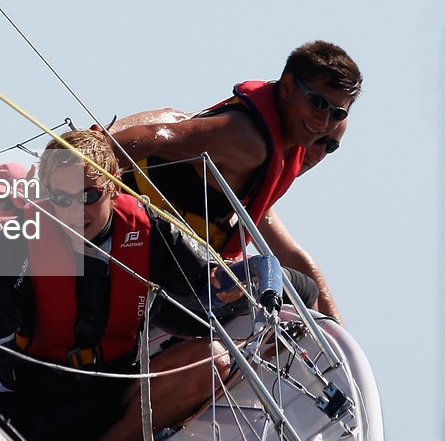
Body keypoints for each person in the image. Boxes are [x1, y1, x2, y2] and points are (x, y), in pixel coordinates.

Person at [0, 125, 230, 441]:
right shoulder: (17, 243)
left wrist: (259, 285)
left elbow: (216, 285)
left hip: (116, 392)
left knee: (213, 358)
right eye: (62, 199)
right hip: (37, 403)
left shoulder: (152, 232)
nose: (74, 212)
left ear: (113, 183)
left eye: (89, 196)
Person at [108, 41, 361, 320]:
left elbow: (290, 254)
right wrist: (83, 160)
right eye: (318, 103)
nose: (322, 125)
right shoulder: (246, 140)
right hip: (146, 254)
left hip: (180, 268)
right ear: (287, 87)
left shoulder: (267, 166)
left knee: (290, 285)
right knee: (294, 289)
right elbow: (161, 133)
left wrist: (344, 347)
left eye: (336, 115)